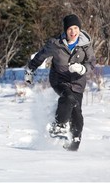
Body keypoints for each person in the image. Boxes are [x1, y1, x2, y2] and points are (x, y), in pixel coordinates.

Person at [25, 14, 96, 151]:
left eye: (76, 28)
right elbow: (40, 56)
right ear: (65, 30)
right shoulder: (55, 44)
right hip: (59, 79)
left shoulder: (85, 44)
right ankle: (59, 124)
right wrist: (30, 70)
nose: (73, 32)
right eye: (70, 28)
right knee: (68, 97)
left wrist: (82, 68)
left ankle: (74, 144)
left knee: (77, 114)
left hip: (77, 82)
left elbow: (91, 62)